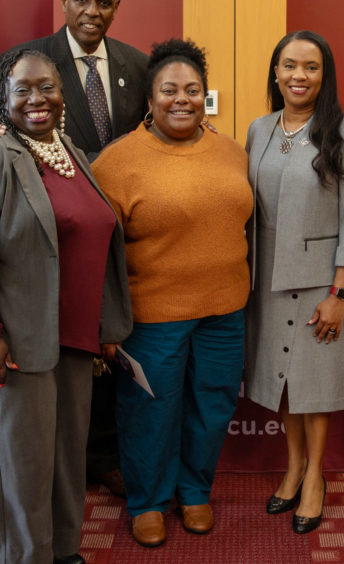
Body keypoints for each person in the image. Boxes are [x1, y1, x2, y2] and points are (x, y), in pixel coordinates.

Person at [0, 49, 132, 564]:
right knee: (22, 466)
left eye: (48, 87)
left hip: (72, 337)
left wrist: (105, 324)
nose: (37, 99)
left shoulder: (74, 154)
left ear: (64, 95)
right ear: (4, 97)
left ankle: (61, 551)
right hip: (11, 342)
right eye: (23, 89)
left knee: (64, 458)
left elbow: (94, 241)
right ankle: (23, 557)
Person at [91, 39, 253, 548]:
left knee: (212, 405)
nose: (181, 99)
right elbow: (99, 256)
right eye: (169, 90)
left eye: (192, 90)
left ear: (205, 95)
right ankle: (149, 502)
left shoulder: (231, 151)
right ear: (150, 97)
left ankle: (195, 491)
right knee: (150, 411)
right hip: (152, 316)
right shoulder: (117, 163)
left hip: (225, 310)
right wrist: (106, 325)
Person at [0, 0, 149, 498]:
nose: (92, 12)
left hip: (108, 234)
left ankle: (100, 455)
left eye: (104, 2)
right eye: (82, 0)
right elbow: (4, 131)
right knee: (50, 359)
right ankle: (56, 469)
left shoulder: (138, 63)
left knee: (98, 351)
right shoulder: (28, 62)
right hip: (46, 236)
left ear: (116, 6)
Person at [243, 31, 344, 534]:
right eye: (289, 65)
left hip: (322, 283)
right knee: (283, 384)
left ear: (324, 75)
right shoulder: (259, 129)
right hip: (267, 280)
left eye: (311, 67)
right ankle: (292, 467)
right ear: (275, 72)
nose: (299, 75)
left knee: (313, 385)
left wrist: (340, 292)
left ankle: (315, 476)